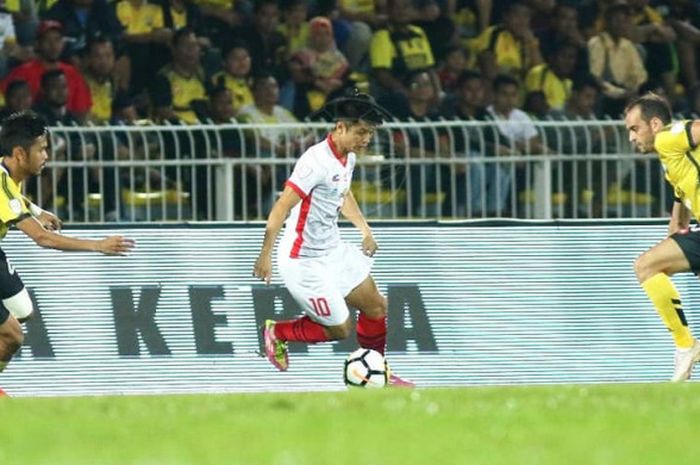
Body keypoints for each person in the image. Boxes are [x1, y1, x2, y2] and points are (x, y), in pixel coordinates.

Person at [252, 91, 413, 387]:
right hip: (303, 260)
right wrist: (265, 254)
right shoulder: (315, 162)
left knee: (376, 306)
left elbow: (343, 193)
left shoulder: (347, 157)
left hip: (332, 251)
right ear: (341, 127)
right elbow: (281, 207)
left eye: (370, 133)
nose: (366, 140)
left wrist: (365, 229)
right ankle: (277, 332)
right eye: (361, 132)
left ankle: (378, 373)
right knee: (340, 328)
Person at [0, 111, 134, 393]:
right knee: (12, 335)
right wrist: (98, 246)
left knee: (22, 310)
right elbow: (42, 238)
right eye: (42, 149)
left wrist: (36, 210)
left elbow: (14, 196)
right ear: (20, 153)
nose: (46, 155)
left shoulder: (9, 170)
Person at [626, 92, 700, 382]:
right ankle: (686, 347)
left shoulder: (669, 137)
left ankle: (686, 346)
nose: (632, 138)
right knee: (648, 265)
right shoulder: (671, 162)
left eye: (635, 129)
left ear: (654, 124)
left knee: (646, 266)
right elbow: (679, 219)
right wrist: (680, 251)